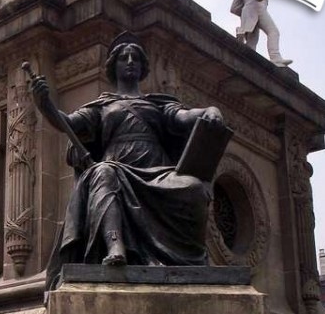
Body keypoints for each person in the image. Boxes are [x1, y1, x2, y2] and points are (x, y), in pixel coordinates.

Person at [29, 33, 226, 288]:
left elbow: (184, 117)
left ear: (144, 66)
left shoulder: (157, 104)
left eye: (135, 57)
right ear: (114, 65)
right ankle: (115, 246)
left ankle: (191, 262)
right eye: (124, 58)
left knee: (194, 188)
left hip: (157, 171)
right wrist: (44, 105)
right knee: (104, 173)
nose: (130, 61)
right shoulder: (102, 106)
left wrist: (210, 111)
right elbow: (67, 123)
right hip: (116, 167)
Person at [231, 0, 292, 67]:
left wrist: (246, 10)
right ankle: (275, 58)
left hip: (248, 10)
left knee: (251, 44)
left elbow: (234, 8)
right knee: (273, 31)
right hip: (257, 6)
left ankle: (247, 62)